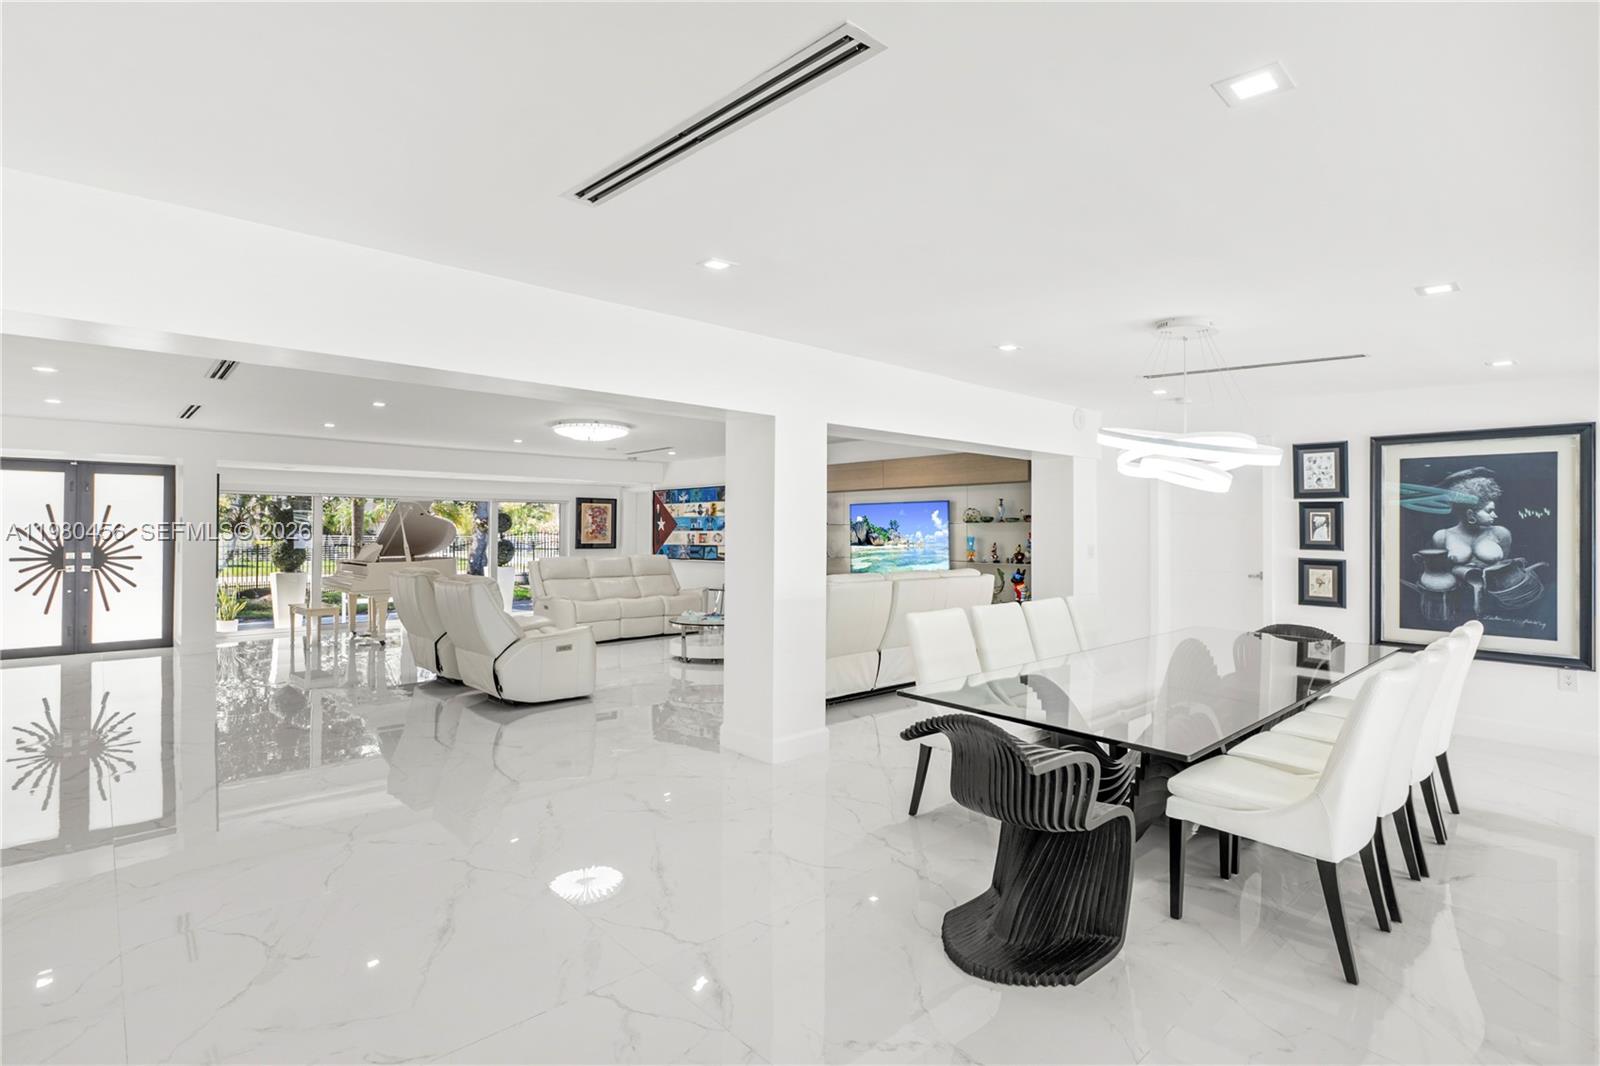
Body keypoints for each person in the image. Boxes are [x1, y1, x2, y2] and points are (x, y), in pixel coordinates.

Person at [1430, 467, 1511, 581]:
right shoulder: (1442, 537)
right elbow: (1442, 572)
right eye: (1489, 511)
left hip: (1494, 589)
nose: (1494, 515)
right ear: (1470, 514)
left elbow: (1505, 568)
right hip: (1456, 590)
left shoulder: (1501, 533)